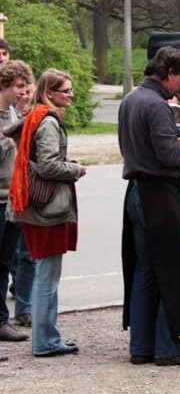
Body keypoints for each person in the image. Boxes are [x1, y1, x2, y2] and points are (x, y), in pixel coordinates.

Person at [118, 46, 180, 366]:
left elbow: (143, 147)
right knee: (170, 271)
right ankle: (167, 348)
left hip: (135, 192)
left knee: (145, 270)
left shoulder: (130, 99)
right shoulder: (157, 105)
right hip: (158, 195)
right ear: (169, 72)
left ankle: (141, 347)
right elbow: (168, 158)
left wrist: (175, 143)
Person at [6, 69, 86, 357]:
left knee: (44, 271)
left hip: (34, 205)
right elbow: (50, 165)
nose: (70, 95)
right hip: (48, 207)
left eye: (71, 90)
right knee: (47, 275)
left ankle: (48, 337)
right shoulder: (48, 121)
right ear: (49, 92)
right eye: (65, 90)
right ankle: (45, 341)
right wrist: (76, 169)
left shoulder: (35, 115)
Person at [0, 60, 34, 343]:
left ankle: (1, 321)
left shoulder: (12, 113)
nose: (24, 92)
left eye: (26, 86)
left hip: (12, 199)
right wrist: (11, 139)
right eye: (19, 86)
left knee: (4, 263)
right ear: (5, 85)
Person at [8, 82, 37, 327]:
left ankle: (25, 307)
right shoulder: (9, 116)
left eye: (29, 91)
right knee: (11, 255)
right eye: (21, 90)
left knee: (27, 255)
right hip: (8, 193)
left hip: (26, 193)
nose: (24, 96)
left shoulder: (35, 117)